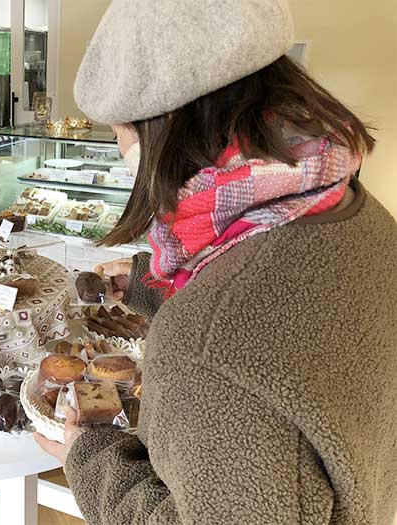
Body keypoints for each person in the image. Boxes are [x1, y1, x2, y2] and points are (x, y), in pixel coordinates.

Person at [34, 1, 397, 523]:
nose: (117, 147)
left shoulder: (206, 347)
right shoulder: (357, 212)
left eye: (120, 130)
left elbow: (235, 339)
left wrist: (87, 458)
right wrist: (146, 282)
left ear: (161, 129)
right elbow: (283, 314)